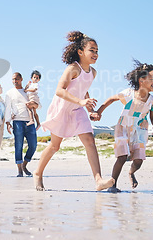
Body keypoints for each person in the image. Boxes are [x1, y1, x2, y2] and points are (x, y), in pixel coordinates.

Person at [34, 31, 114, 191]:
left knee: (90, 141)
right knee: (55, 146)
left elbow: (83, 89)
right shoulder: (73, 68)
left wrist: (89, 108)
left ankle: (98, 180)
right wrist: (81, 101)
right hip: (62, 109)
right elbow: (59, 90)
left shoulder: (93, 72)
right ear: (80, 52)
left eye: (97, 51)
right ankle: (38, 173)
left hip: (77, 110)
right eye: (92, 50)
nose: (95, 54)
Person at [93, 60, 153, 193]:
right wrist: (98, 112)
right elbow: (112, 99)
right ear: (141, 80)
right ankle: (112, 184)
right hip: (123, 127)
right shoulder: (129, 93)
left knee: (139, 159)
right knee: (122, 157)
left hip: (140, 131)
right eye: (152, 79)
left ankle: (131, 173)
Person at [4, 72, 40, 177]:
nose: (15, 81)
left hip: (30, 121)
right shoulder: (9, 93)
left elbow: (37, 104)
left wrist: (35, 106)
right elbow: (8, 108)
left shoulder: (27, 92)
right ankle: (19, 170)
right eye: (13, 79)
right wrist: (8, 122)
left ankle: (24, 165)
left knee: (33, 145)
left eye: (17, 79)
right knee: (18, 146)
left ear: (21, 79)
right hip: (17, 122)